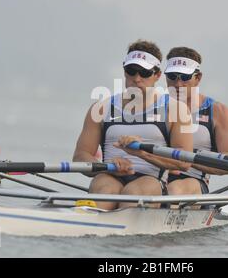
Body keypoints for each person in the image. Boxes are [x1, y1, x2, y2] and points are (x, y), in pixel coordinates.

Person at [73, 40, 193, 210]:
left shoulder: (176, 110)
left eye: (144, 73)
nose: (136, 79)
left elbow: (184, 162)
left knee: (133, 193)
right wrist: (107, 167)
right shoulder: (101, 108)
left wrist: (144, 154)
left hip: (150, 180)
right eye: (131, 71)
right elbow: (80, 156)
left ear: (157, 75)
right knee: (105, 189)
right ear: (124, 70)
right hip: (109, 175)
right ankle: (86, 223)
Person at [164, 46, 228, 196]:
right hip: (152, 178)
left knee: (174, 190)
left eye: (185, 77)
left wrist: (184, 160)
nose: (178, 84)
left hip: (191, 182)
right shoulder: (152, 107)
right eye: (172, 76)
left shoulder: (218, 112)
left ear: (198, 78)